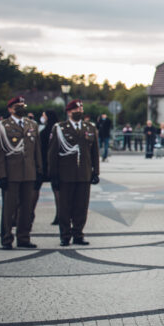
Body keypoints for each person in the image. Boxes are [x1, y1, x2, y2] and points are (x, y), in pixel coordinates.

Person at [0, 96, 42, 249]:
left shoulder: (32, 124)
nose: (21, 107)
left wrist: (39, 170)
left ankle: (24, 238)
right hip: (11, 174)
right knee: (9, 208)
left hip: (29, 173)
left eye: (22, 104)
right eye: (17, 105)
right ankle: (7, 238)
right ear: (10, 109)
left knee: (27, 208)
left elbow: (37, 151)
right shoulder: (2, 126)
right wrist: (1, 175)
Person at [49, 100, 100, 246]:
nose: (80, 110)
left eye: (81, 108)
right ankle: (65, 235)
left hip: (84, 174)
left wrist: (95, 172)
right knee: (65, 207)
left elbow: (94, 152)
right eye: (77, 108)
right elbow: (52, 153)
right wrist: (53, 175)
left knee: (81, 206)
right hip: (65, 175)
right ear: (69, 111)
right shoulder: (59, 128)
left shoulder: (89, 127)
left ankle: (78, 233)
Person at [38, 109, 61, 227]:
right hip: (55, 164)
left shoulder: (44, 132)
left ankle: (28, 215)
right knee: (57, 190)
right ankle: (59, 215)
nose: (42, 117)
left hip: (44, 164)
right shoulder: (58, 130)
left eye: (43, 115)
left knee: (34, 190)